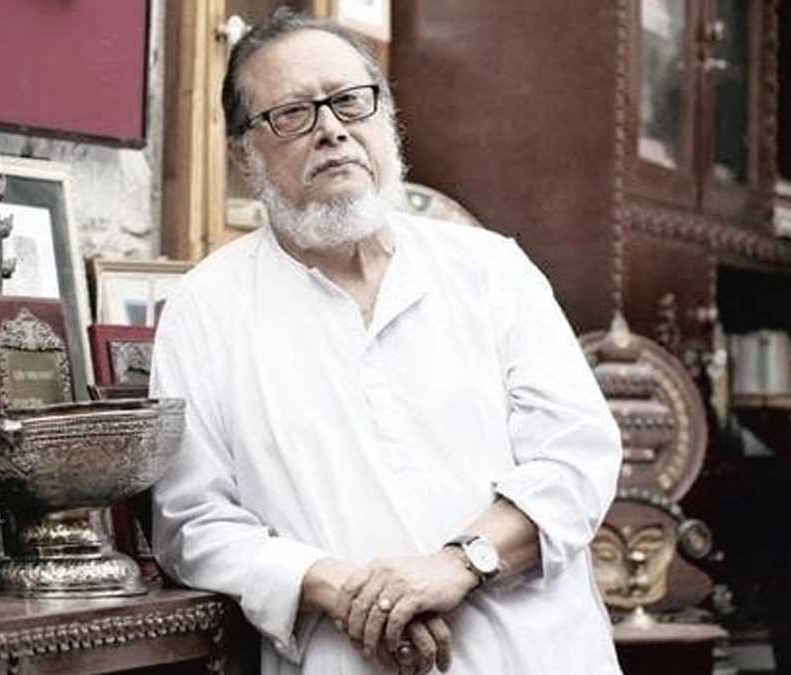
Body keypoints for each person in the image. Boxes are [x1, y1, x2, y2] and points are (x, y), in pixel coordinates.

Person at [149, 9, 623, 675]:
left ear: (386, 117)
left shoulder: (492, 270)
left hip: (539, 654)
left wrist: (458, 564)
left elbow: (576, 457)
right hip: (356, 658)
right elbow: (191, 523)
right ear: (242, 156)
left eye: (351, 101)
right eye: (293, 114)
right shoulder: (206, 309)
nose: (332, 130)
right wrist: (336, 586)